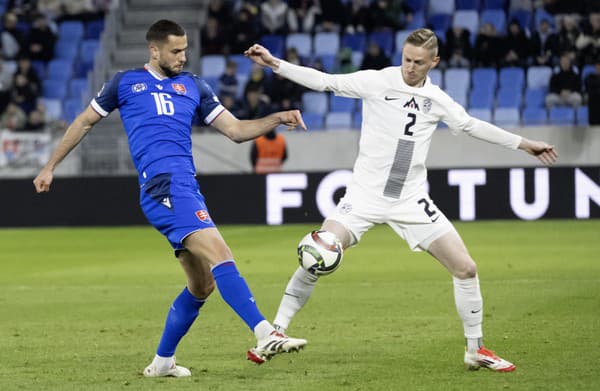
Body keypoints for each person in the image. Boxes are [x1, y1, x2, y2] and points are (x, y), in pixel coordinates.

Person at [245, 28, 558, 372]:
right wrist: (275, 63)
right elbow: (325, 81)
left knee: (466, 268)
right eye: (406, 59)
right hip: (363, 196)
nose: (410, 67)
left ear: (433, 62)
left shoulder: (437, 99)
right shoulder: (378, 81)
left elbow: (471, 125)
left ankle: (476, 350)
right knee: (320, 252)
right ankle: (275, 332)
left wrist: (524, 144)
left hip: (410, 199)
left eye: (418, 62)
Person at [33, 19, 308, 378]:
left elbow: (237, 131)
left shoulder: (193, 85)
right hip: (163, 187)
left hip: (186, 186)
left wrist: (277, 117)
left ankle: (162, 362)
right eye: (176, 51)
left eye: (185, 50)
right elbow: (84, 122)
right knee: (220, 254)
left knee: (202, 284)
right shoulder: (124, 82)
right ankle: (264, 332)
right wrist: (50, 166)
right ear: (154, 50)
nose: (183, 56)